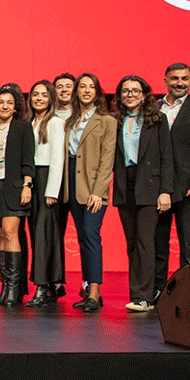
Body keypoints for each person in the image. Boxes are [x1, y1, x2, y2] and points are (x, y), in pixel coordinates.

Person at [111, 76, 173, 312]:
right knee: (131, 243)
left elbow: (166, 156)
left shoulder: (157, 120)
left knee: (145, 241)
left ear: (145, 94)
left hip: (149, 185)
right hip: (124, 184)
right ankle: (136, 294)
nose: (130, 95)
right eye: (126, 91)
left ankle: (144, 297)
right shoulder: (115, 121)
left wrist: (165, 191)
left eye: (135, 91)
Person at [154, 62, 190, 302]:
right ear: (165, 81)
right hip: (158, 188)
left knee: (189, 247)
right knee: (158, 244)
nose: (179, 83)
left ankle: (188, 294)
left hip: (189, 189)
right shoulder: (154, 109)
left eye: (184, 79)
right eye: (174, 78)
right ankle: (158, 291)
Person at [63, 73, 116, 313]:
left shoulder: (107, 121)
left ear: (97, 92)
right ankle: (87, 289)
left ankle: (95, 291)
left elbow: (107, 159)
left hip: (93, 185)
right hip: (72, 182)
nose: (86, 90)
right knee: (83, 237)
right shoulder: (71, 119)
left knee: (92, 235)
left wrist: (99, 191)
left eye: (91, 86)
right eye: (82, 86)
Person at [0, 86, 36, 307]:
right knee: (0, 234)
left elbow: (28, 158)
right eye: (0, 102)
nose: (5, 106)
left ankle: (14, 288)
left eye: (9, 103)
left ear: (15, 108)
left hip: (15, 187)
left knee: (11, 232)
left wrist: (27, 185)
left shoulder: (23, 128)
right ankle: (4, 286)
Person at [24, 81, 66, 307]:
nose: (39, 98)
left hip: (47, 179)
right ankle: (52, 284)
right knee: (36, 234)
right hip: (31, 180)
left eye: (43, 95)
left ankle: (42, 286)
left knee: (44, 235)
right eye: (35, 95)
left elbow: (58, 157)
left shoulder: (56, 122)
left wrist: (52, 191)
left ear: (51, 99)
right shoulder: (29, 122)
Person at [49, 73, 79, 299]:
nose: (64, 90)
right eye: (60, 86)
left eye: (69, 86)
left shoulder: (82, 114)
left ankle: (89, 284)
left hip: (76, 173)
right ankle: (55, 279)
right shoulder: (48, 115)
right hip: (54, 174)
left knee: (85, 231)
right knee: (54, 230)